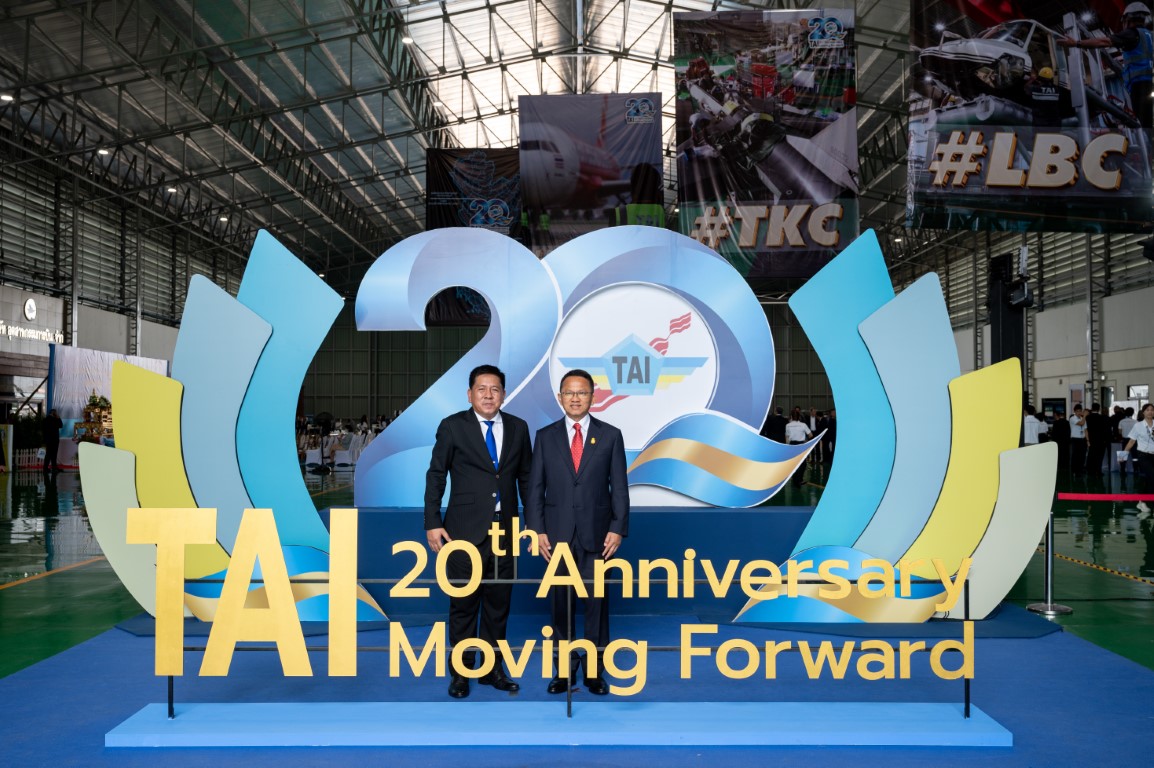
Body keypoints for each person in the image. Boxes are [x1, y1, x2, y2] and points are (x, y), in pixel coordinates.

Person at [424, 364, 533, 699]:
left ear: (504, 394)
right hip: (463, 531)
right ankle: (461, 671)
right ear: (470, 394)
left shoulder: (518, 427)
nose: (488, 395)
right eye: (481, 389)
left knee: (499, 604)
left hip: (505, 531)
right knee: (463, 604)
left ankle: (492, 669)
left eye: (495, 389)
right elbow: (436, 475)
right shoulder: (452, 426)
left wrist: (533, 524)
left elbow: (526, 479)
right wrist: (432, 521)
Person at [525, 369, 629, 696]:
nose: (575, 398)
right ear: (560, 397)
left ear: (592, 397)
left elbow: (619, 488)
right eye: (569, 392)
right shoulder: (545, 436)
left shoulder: (610, 436)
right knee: (561, 606)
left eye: (582, 392)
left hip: (598, 537)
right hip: (556, 537)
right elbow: (535, 488)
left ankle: (595, 671)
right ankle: (564, 670)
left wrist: (617, 528)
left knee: (597, 604)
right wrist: (537, 530)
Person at [1061, 3, 1154, 129]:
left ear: (1128, 19)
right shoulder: (1149, 36)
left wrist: (1076, 43)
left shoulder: (1132, 33)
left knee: (1145, 125)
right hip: (1148, 83)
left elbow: (1104, 41)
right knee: (1147, 122)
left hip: (1140, 85)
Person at [1123, 403, 1154, 518]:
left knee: (1150, 479)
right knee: (1152, 476)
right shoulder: (1138, 425)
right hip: (1143, 455)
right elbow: (1131, 441)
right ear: (1143, 412)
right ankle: (1145, 501)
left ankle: (1142, 501)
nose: (1150, 412)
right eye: (1147, 410)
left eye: (1152, 410)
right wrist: (1123, 455)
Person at [785, 414, 813, 488]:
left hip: (792, 444)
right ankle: (799, 479)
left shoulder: (788, 425)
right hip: (801, 445)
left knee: (793, 463)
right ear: (799, 417)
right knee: (803, 464)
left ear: (791, 417)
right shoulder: (803, 425)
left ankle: (795, 479)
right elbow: (810, 435)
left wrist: (787, 446)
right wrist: (805, 441)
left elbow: (787, 437)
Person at [1085, 403, 1112, 478]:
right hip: (1100, 440)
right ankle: (1098, 470)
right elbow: (1105, 429)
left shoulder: (1088, 417)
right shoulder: (1102, 418)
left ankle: (1090, 470)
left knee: (1091, 454)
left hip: (1091, 439)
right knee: (1099, 456)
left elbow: (1086, 428)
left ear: (1092, 408)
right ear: (1099, 409)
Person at [42, 409, 63, 474]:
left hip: (48, 439)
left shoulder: (45, 419)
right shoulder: (55, 419)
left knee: (48, 454)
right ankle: (53, 468)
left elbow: (44, 430)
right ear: (54, 413)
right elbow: (61, 425)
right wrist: (58, 418)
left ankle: (46, 468)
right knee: (54, 454)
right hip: (54, 439)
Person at [1070, 403, 1088, 478]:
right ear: (1074, 411)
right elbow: (1081, 424)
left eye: (1080, 411)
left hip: (1082, 439)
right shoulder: (1072, 418)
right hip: (1075, 439)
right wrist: (1085, 416)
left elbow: (1085, 430)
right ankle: (1075, 470)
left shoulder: (1082, 418)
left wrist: (1088, 440)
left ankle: (1080, 470)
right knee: (1075, 455)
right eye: (1077, 411)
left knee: (1082, 455)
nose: (1078, 412)